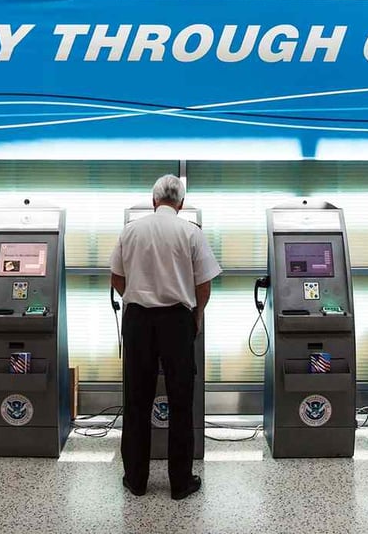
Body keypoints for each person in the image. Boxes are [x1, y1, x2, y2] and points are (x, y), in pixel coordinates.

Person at [109, 174, 221, 500]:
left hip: (138, 321)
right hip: (177, 321)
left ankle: (137, 479)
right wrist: (195, 315)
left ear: (152, 199)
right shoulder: (191, 232)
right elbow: (204, 285)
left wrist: (137, 296)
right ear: (181, 203)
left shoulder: (130, 231)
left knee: (136, 400)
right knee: (181, 401)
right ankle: (180, 483)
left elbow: (117, 278)